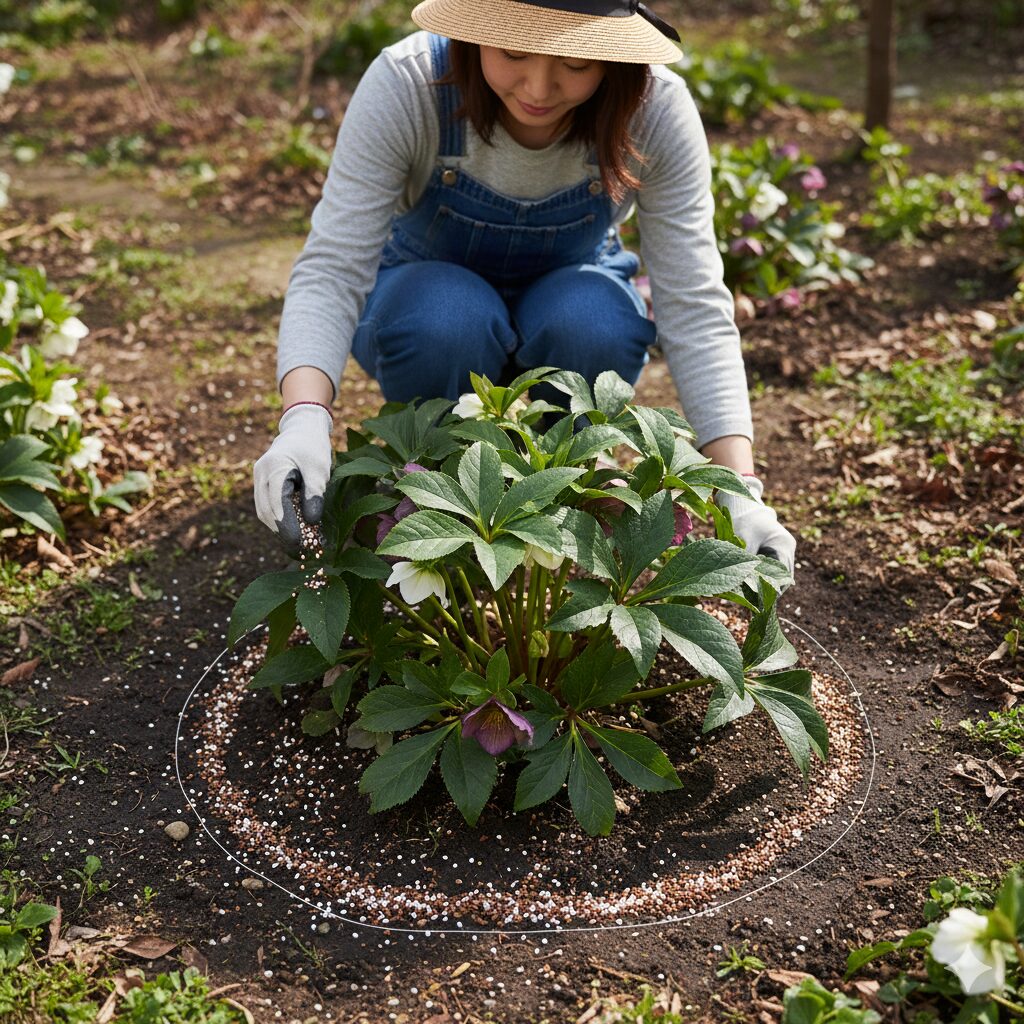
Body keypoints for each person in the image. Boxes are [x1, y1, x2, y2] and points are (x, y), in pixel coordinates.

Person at [253, 0, 797, 575]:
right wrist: (305, 418)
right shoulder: (409, 84)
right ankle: (436, 498)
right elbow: (333, 266)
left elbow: (694, 304)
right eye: (513, 51)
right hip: (422, 298)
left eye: (577, 61)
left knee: (595, 318)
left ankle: (564, 506)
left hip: (566, 297)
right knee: (446, 316)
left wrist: (738, 484)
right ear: (475, 32)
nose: (539, 87)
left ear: (616, 55)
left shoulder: (654, 109)